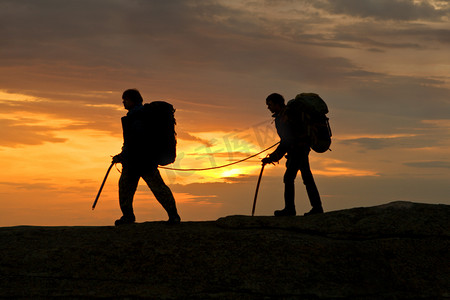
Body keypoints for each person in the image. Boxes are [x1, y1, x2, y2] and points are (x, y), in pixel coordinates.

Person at [112, 89, 181, 225]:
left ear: (132, 100)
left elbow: (135, 142)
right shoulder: (139, 116)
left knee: (129, 188)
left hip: (140, 162)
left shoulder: (138, 118)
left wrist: (122, 156)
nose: (123, 103)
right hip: (143, 161)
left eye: (125, 99)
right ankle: (173, 216)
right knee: (157, 188)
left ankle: (129, 217)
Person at [262, 93, 323, 216]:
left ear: (277, 104)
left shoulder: (285, 117)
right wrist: (273, 157)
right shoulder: (286, 115)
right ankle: (316, 208)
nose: (268, 107)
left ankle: (291, 209)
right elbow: (287, 140)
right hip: (300, 149)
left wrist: (272, 158)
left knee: (290, 178)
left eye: (270, 104)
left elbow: (286, 141)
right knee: (306, 178)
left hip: (297, 150)